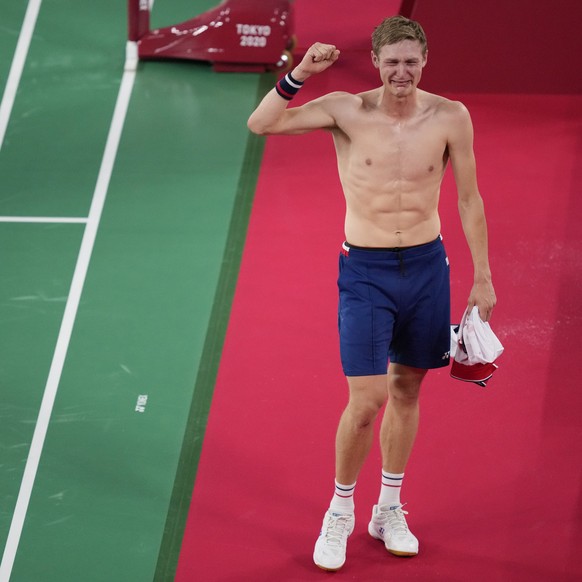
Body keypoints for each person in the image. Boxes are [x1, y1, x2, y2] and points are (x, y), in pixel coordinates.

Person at [247, 15, 496, 572]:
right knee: (367, 400)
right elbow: (261, 124)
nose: (401, 71)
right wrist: (300, 73)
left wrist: (483, 274)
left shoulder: (451, 116)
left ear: (424, 59)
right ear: (378, 63)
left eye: (410, 61)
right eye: (391, 62)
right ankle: (339, 511)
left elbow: (469, 199)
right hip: (365, 271)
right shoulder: (344, 109)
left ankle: (388, 508)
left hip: (428, 268)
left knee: (407, 390)